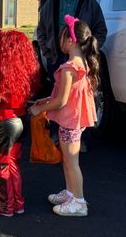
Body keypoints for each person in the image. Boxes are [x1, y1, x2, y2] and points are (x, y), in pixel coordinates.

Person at [29, 15, 99, 217]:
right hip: (73, 119)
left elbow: (61, 101)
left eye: (61, 37)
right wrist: (45, 101)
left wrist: (39, 109)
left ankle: (79, 202)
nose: (59, 42)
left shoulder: (69, 68)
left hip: (70, 121)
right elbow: (62, 96)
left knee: (71, 162)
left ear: (70, 40)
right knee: (69, 160)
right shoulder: (81, 63)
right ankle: (70, 193)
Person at [36, 0, 107, 152]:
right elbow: (41, 30)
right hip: (56, 57)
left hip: (79, 58)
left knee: (81, 97)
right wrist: (48, 51)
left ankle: (82, 138)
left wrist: (89, 50)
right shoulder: (51, 3)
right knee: (58, 95)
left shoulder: (89, 2)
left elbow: (101, 29)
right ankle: (57, 134)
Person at [0, 30, 39, 217]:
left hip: (6, 122)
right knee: (13, 163)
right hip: (21, 120)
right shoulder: (27, 71)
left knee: (2, 165)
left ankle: (5, 205)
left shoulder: (4, 71)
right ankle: (17, 203)